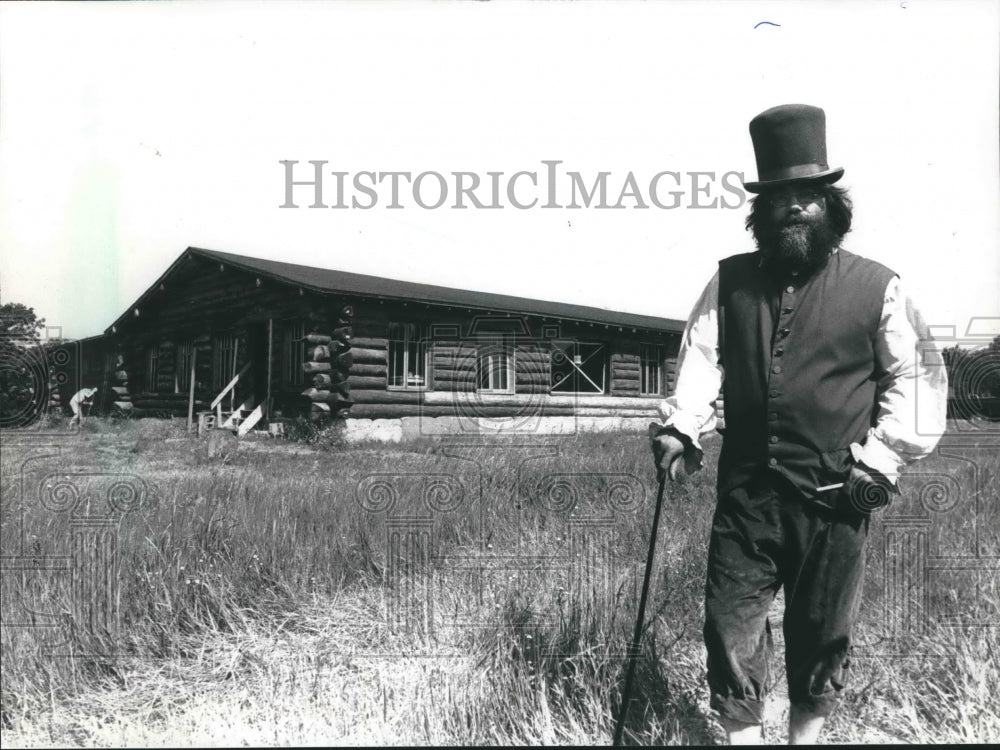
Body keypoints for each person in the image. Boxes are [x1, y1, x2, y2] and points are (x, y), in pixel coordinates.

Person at [650, 104, 947, 744]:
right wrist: (683, 427)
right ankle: (744, 738)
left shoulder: (878, 287)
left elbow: (916, 378)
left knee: (821, 633)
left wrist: (883, 458)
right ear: (763, 208)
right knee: (729, 624)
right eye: (781, 195)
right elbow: (701, 359)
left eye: (808, 195)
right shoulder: (729, 283)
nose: (795, 208)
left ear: (830, 205)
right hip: (748, 496)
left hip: (836, 494)